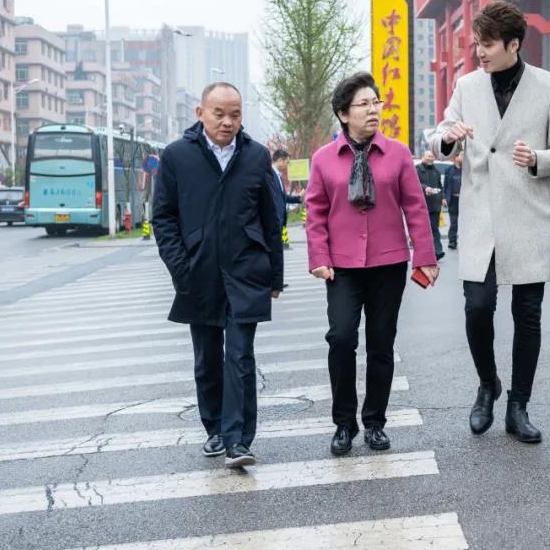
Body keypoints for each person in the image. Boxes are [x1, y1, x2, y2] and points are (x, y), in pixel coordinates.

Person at [429, 0, 550, 444]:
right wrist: (448, 138)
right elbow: (439, 138)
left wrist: (538, 159)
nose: (480, 51)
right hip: (480, 215)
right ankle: (487, 384)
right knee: (477, 306)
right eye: (477, 43)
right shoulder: (467, 85)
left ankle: (519, 405)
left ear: (513, 45)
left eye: (488, 44)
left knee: (527, 313)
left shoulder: (549, 86)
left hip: (529, 213)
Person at [306, 72, 439, 457]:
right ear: (343, 114)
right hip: (342, 267)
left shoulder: (397, 154)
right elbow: (315, 212)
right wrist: (319, 257)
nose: (372, 110)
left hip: (388, 262)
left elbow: (415, 207)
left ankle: (375, 422)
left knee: (381, 344)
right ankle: (344, 423)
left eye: (375, 102)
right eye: (363, 104)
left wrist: (425, 256)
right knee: (341, 339)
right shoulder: (323, 159)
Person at [152, 81, 284, 468]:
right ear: (200, 113)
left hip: (246, 272)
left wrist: (274, 275)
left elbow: (270, 218)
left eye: (235, 115)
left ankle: (238, 440)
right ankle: (214, 429)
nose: (228, 122)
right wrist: (181, 269)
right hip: (199, 273)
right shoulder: (177, 156)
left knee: (240, 356)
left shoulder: (256, 156)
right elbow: (163, 218)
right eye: (219, 114)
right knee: (207, 359)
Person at [270, 148, 303, 246]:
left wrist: (297, 197)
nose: (287, 165)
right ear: (280, 160)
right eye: (287, 162)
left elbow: (281, 197)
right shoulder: (269, 175)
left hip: (279, 222)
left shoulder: (278, 176)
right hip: (273, 221)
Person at [416, 151, 445, 260]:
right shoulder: (416, 170)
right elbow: (414, 184)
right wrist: (425, 188)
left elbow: (440, 186)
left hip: (435, 206)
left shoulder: (436, 171)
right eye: (428, 156)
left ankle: (438, 251)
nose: (431, 158)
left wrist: (443, 198)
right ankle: (424, 253)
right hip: (421, 206)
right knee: (422, 230)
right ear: (423, 157)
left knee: (435, 229)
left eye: (432, 156)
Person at [443, 152, 463, 250]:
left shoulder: (467, 170)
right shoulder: (449, 170)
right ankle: (452, 241)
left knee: (466, 223)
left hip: (464, 200)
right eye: (461, 155)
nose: (463, 157)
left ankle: (466, 243)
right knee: (454, 222)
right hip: (453, 200)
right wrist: (444, 198)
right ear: (455, 157)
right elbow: (445, 185)